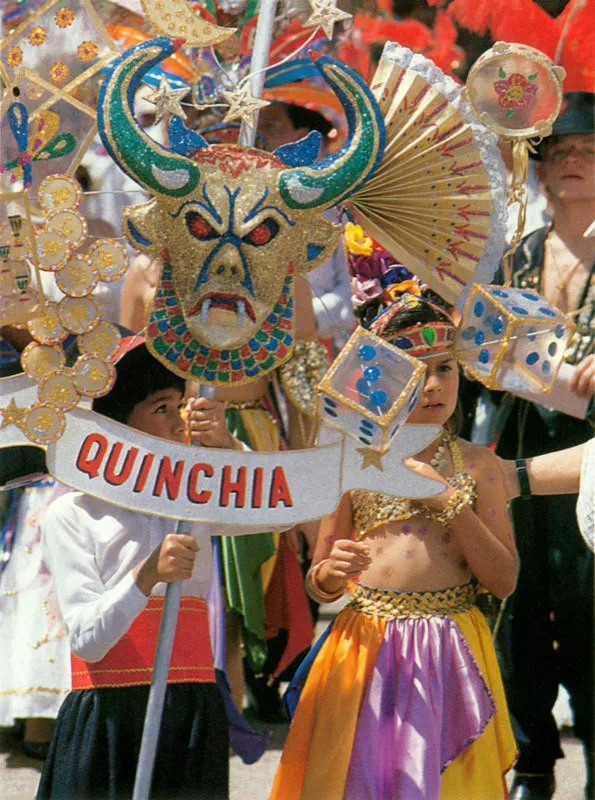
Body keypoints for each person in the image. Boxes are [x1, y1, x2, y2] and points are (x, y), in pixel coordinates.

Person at [271, 287, 518, 800]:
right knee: (361, 778)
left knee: (443, 784)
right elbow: (321, 582)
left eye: (444, 368)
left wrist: (450, 504)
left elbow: (504, 580)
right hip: (366, 647)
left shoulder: (480, 466)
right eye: (413, 370)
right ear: (379, 378)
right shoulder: (351, 462)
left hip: (449, 648)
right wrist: (331, 573)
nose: (433, 385)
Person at [36, 337, 250, 799]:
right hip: (112, 721)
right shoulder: (72, 514)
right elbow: (89, 642)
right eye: (161, 409)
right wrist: (145, 576)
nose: (179, 425)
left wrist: (227, 444)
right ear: (115, 424)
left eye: (181, 406)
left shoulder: (197, 494)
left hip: (190, 712)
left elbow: (281, 512)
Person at [473, 91, 594, 800]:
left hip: (589, 458)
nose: (572, 164)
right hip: (516, 450)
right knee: (514, 602)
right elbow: (479, 345)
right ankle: (532, 760)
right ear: (539, 170)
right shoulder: (514, 255)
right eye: (559, 154)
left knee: (589, 606)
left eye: (586, 153)